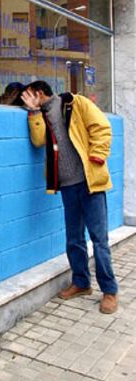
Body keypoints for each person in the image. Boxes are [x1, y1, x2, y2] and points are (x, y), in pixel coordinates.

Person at [21, 80, 118, 314]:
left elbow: (102, 127)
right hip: (67, 187)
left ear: (40, 93)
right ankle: (82, 283)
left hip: (89, 183)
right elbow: (38, 140)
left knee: (99, 239)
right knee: (74, 238)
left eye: (29, 96)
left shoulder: (75, 103)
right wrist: (34, 112)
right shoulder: (42, 114)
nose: (26, 100)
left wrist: (97, 155)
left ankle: (110, 291)